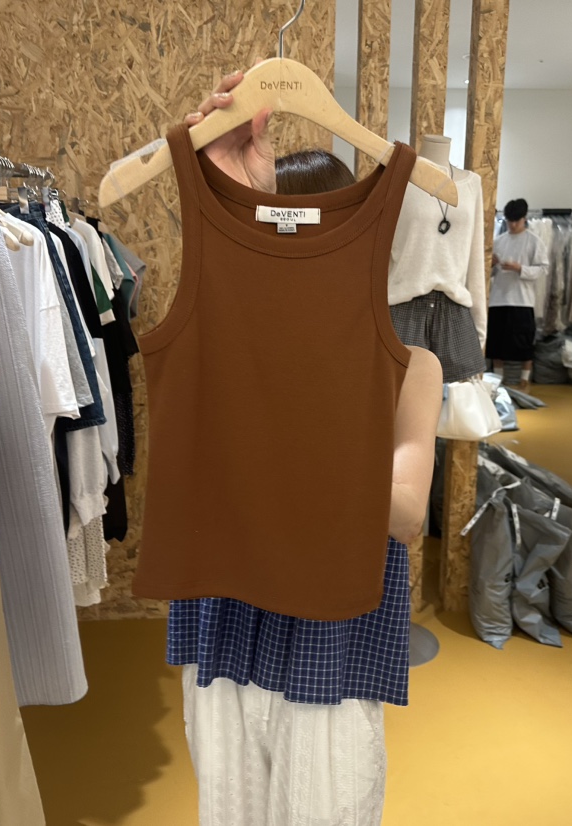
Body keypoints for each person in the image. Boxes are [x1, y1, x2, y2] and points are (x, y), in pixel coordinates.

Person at [164, 70, 443, 825]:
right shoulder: (227, 346)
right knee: (230, 808)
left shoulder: (409, 366)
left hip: (332, 630)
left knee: (326, 806)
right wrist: (237, 188)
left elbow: (405, 514)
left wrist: (267, 449)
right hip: (226, 613)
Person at [486, 198, 550, 389]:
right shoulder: (498, 241)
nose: (512, 225)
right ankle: (498, 380)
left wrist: (520, 268)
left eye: (516, 221)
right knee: (496, 343)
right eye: (509, 221)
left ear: (524, 219)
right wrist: (492, 265)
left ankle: (524, 379)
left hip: (523, 300)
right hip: (498, 299)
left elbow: (543, 269)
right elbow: (490, 274)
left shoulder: (534, 241)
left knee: (524, 342)